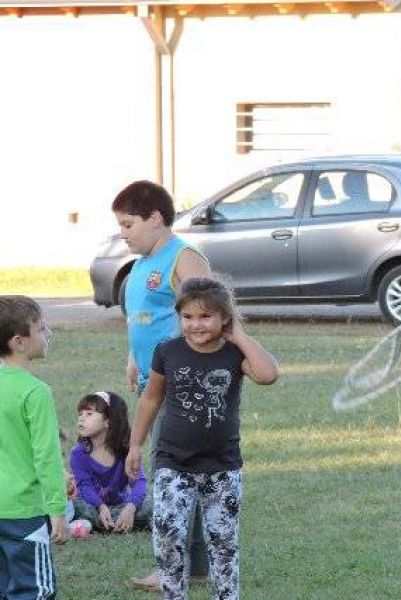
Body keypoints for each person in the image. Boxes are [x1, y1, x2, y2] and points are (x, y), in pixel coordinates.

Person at [126, 277, 279, 600]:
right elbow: (151, 399)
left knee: (223, 545)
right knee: (168, 538)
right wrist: (135, 444)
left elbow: (268, 374)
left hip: (222, 466)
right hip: (173, 463)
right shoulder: (168, 351)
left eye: (206, 316)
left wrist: (240, 336)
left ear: (225, 317)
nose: (196, 325)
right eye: (188, 317)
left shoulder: (235, 353)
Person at [111, 180, 212, 590]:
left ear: (156, 218)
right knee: (185, 472)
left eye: (129, 223)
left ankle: (173, 567)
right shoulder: (139, 264)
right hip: (154, 379)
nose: (123, 233)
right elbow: (143, 317)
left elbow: (211, 319)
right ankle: (198, 564)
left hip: (183, 385)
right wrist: (134, 355)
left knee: (172, 474)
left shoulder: (183, 259)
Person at [0, 295, 68, 599]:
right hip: (24, 511)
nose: (47, 333)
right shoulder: (36, 392)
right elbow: (47, 456)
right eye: (40, 329)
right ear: (19, 341)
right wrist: (57, 509)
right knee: (34, 589)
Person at [70, 391, 151, 533]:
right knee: (73, 506)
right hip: (91, 506)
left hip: (121, 505)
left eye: (89, 414)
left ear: (108, 421)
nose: (81, 419)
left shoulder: (126, 451)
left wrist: (130, 509)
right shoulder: (78, 453)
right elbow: (84, 485)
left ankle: (116, 521)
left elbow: (139, 482)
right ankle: (102, 522)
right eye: (80, 414)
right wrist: (100, 507)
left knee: (152, 502)